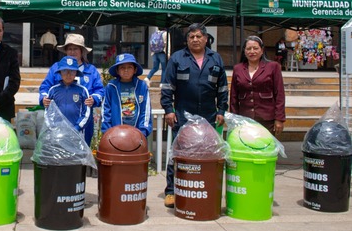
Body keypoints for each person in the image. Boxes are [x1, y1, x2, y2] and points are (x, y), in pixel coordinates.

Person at [160, 23, 228, 208]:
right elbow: (167, 87)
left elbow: (222, 88)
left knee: (206, 152)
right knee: (178, 151)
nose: (195, 40)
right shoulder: (177, 58)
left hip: (208, 115)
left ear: (206, 39)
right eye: (192, 37)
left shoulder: (216, 59)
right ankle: (172, 191)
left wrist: (222, 110)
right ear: (187, 40)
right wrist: (168, 110)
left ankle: (203, 185)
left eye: (199, 36)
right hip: (182, 114)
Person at [39, 33, 104, 145]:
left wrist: (94, 99)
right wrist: (44, 98)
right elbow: (45, 86)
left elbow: (100, 91)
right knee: (59, 150)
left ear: (82, 51)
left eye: (75, 49)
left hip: (83, 123)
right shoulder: (57, 67)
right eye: (69, 49)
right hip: (59, 121)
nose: (72, 52)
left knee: (82, 152)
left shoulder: (91, 70)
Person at [230, 36, 285, 136]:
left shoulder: (273, 67)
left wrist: (279, 119)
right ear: (244, 51)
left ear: (262, 50)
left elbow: (279, 94)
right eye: (248, 48)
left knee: (266, 149)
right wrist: (234, 119)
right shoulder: (238, 69)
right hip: (245, 119)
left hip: (267, 119)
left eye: (255, 48)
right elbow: (233, 97)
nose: (252, 51)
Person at [101, 53, 152, 138]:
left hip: (137, 133)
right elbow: (106, 110)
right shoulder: (111, 86)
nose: (126, 70)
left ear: (135, 70)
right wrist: (107, 131)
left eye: (129, 67)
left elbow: (146, 111)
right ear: (117, 71)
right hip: (115, 134)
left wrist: (142, 132)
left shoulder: (141, 86)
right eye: (122, 68)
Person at [43, 56, 91, 132]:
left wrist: (77, 127)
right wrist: (52, 127)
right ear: (60, 72)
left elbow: (86, 113)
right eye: (65, 71)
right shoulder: (53, 90)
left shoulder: (82, 91)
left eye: (72, 71)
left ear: (76, 73)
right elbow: (48, 111)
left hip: (76, 133)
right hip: (57, 132)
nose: (68, 74)